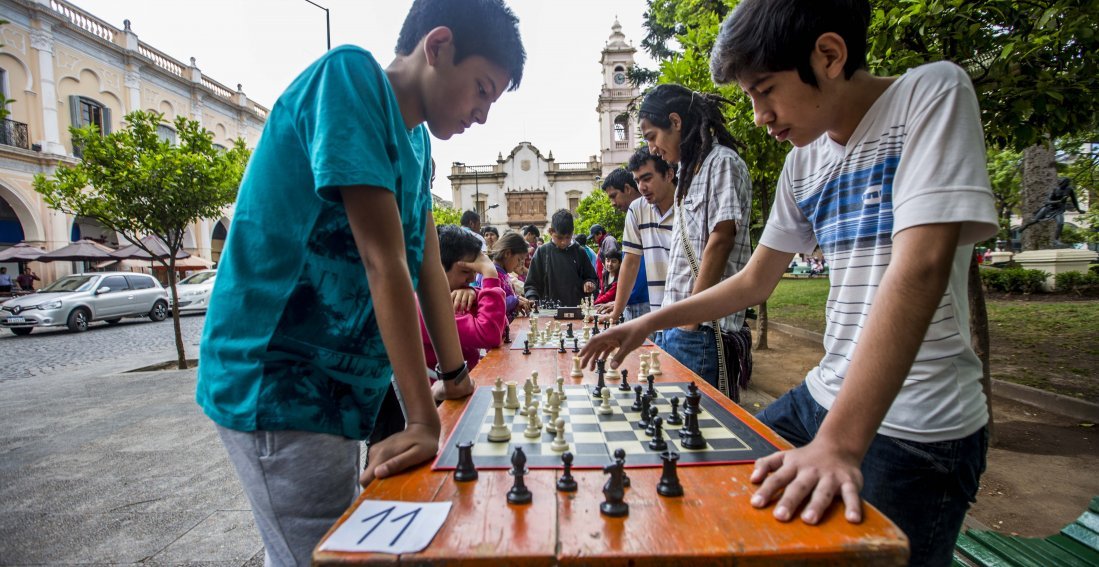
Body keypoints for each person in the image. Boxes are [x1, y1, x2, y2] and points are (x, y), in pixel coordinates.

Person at [583, 1, 996, 564]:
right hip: (821, 397)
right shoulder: (804, 160)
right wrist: (646, 322)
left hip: (917, 425)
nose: (758, 116)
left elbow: (920, 267)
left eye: (765, 90)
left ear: (829, 55)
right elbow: (754, 282)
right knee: (704, 485)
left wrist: (838, 446)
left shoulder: (932, 94)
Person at [194, 0, 525, 563]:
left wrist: (456, 376)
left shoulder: (417, 142)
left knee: (321, 547)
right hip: (280, 384)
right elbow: (384, 260)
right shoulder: (349, 78)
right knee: (322, 555)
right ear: (438, 46)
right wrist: (422, 419)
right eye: (482, 89)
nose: (481, 114)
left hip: (338, 396)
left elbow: (422, 264)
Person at [632, 82, 755, 396]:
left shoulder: (722, 163)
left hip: (700, 330)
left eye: (652, 137)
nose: (652, 149)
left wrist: (691, 322)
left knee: (696, 429)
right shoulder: (689, 171)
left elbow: (721, 240)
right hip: (677, 326)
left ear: (675, 122)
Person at [524, 209, 598, 306]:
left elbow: (591, 277)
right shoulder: (542, 252)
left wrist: (589, 283)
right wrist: (532, 298)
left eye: (568, 237)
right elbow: (531, 284)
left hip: (575, 309)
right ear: (551, 232)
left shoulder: (579, 252)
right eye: (559, 237)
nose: (564, 242)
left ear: (572, 232)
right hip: (549, 312)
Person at [489, 231, 533, 320]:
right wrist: (515, 300)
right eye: (518, 259)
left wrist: (517, 302)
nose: (518, 264)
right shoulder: (490, 274)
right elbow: (492, 305)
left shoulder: (503, 273)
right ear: (507, 253)